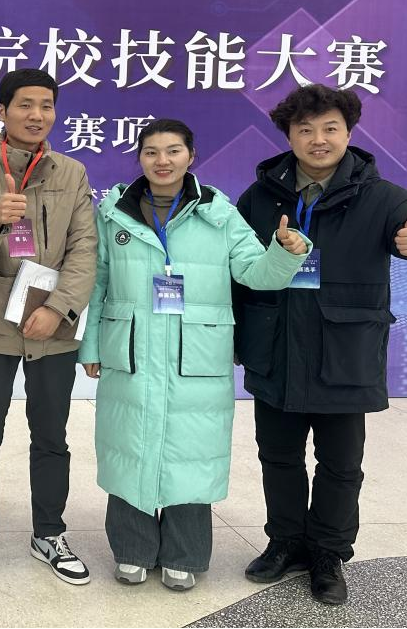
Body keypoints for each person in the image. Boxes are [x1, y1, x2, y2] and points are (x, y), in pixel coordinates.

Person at [233, 84, 407, 605]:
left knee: (340, 464)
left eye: (330, 128)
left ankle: (328, 554)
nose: (319, 139)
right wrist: (238, 337)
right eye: (305, 129)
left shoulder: (384, 197)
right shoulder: (260, 196)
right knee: (278, 456)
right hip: (276, 348)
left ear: (349, 132)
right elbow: (238, 270)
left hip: (344, 354)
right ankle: (285, 542)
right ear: (289, 136)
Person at [77, 119, 310, 591]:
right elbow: (98, 282)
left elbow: (256, 273)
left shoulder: (218, 213)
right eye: (151, 152)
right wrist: (92, 344)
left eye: (173, 151)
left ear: (191, 156)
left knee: (190, 452)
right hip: (131, 350)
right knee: (130, 445)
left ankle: (184, 553)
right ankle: (132, 549)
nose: (162, 161)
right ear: (139, 158)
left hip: (197, 354)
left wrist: (286, 252)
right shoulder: (114, 213)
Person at [0, 68, 99, 588]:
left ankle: (49, 533)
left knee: (52, 435)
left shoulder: (72, 172)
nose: (37, 115)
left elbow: (84, 248)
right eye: (25, 105)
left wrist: (59, 308)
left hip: (52, 325)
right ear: (2, 111)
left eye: (46, 105)